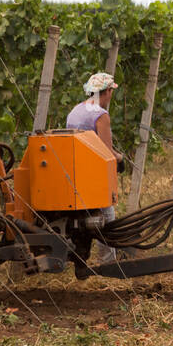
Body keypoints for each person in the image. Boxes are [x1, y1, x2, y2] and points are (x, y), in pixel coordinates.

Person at [67, 72, 123, 263]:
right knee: (108, 215)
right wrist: (119, 158)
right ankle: (108, 263)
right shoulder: (101, 115)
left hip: (74, 174)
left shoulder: (76, 110)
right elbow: (106, 153)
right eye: (110, 92)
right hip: (92, 175)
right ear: (107, 91)